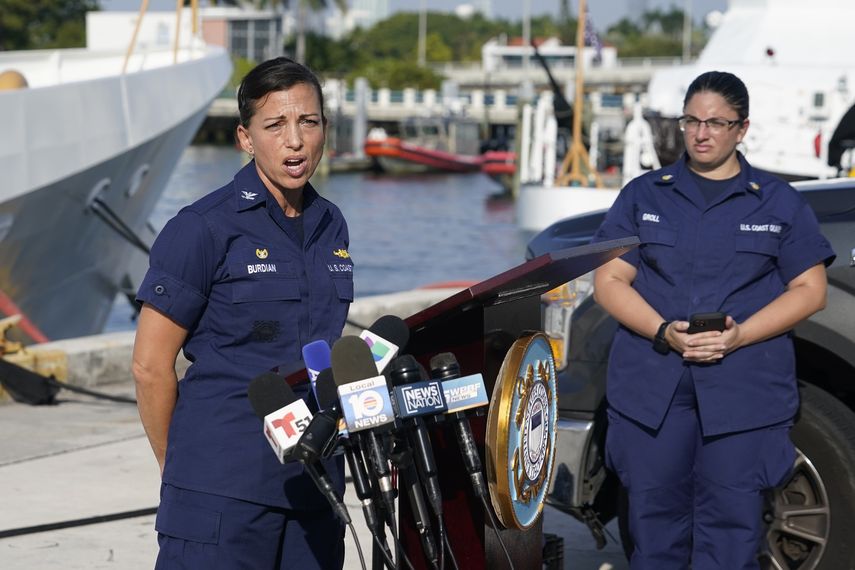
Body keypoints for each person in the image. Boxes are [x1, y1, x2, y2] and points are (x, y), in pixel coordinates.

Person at [591, 71, 835, 569]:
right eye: (692, 121)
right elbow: (609, 281)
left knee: (732, 534)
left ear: (741, 129)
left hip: (743, 392)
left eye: (716, 123)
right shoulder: (644, 195)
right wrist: (662, 331)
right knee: (653, 531)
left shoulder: (778, 201)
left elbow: (811, 291)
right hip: (654, 388)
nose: (701, 133)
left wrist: (742, 334)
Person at [132, 57, 352, 569]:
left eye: (308, 122)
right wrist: (183, 469)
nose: (294, 140)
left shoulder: (331, 224)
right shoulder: (202, 229)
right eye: (275, 125)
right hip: (221, 492)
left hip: (314, 485)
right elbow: (149, 366)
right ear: (245, 138)